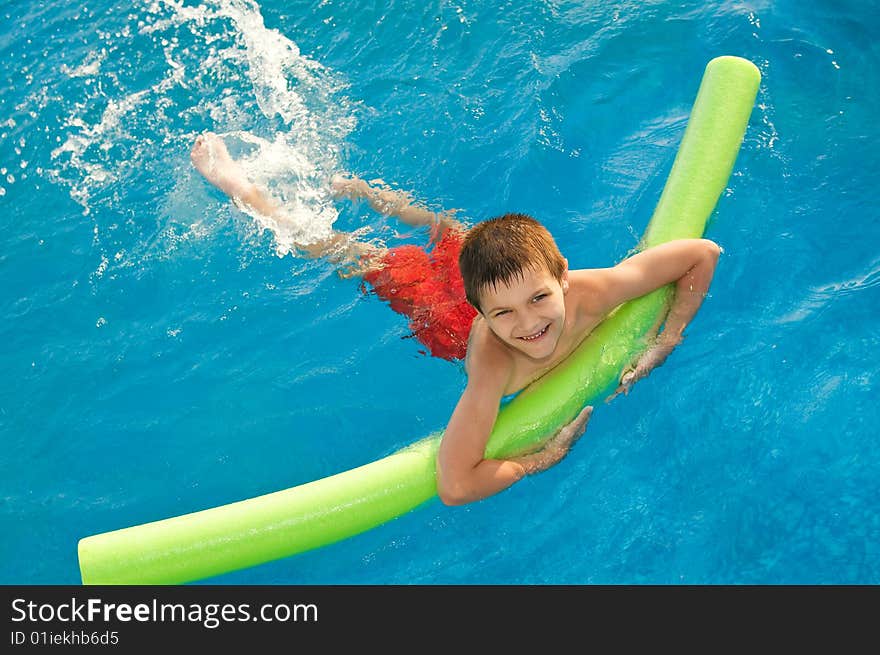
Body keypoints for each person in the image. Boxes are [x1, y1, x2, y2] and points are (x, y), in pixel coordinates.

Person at [190, 132, 721, 507]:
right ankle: (245, 190)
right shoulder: (493, 365)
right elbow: (456, 485)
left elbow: (703, 253)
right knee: (349, 254)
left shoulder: (591, 291)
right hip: (443, 318)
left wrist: (667, 338)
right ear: (485, 314)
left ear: (562, 276)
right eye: (505, 315)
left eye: (540, 297)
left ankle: (366, 192)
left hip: (482, 285)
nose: (529, 324)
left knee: (456, 234)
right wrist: (537, 460)